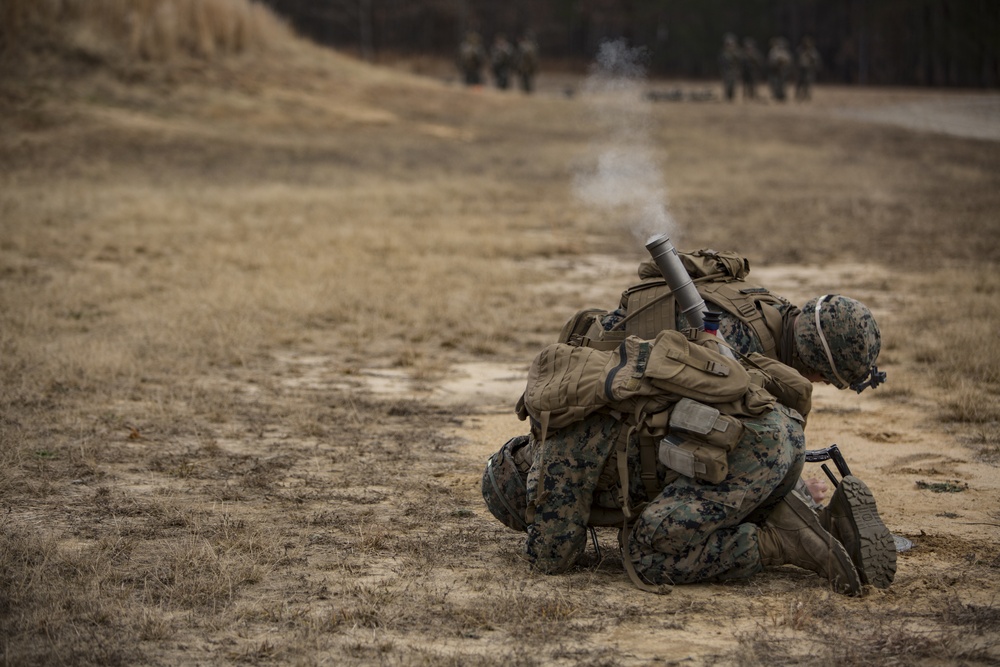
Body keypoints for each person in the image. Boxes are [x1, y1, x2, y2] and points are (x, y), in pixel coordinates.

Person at [483, 249, 895, 592]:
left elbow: (552, 556)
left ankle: (781, 541)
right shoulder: (762, 309)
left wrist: (546, 513)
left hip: (743, 442)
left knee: (646, 553)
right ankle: (813, 523)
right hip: (764, 436)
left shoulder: (562, 448)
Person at [795, 36, 821, 101]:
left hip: (809, 69)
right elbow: (797, 59)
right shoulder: (800, 50)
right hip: (801, 68)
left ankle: (806, 95)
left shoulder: (812, 51)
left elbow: (816, 60)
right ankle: (798, 95)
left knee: (808, 82)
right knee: (799, 83)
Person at [767, 37, 793, 102]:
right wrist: (777, 62)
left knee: (783, 84)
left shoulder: (785, 52)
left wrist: (783, 63)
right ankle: (776, 95)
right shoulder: (773, 51)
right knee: (775, 83)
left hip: (783, 71)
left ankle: (782, 95)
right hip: (775, 71)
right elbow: (771, 60)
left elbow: (789, 61)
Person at [718, 33, 741, 102]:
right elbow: (721, 62)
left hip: (734, 71)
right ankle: (727, 97)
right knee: (727, 84)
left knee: (733, 85)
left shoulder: (736, 53)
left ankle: (731, 97)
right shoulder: (724, 53)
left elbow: (739, 61)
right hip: (726, 71)